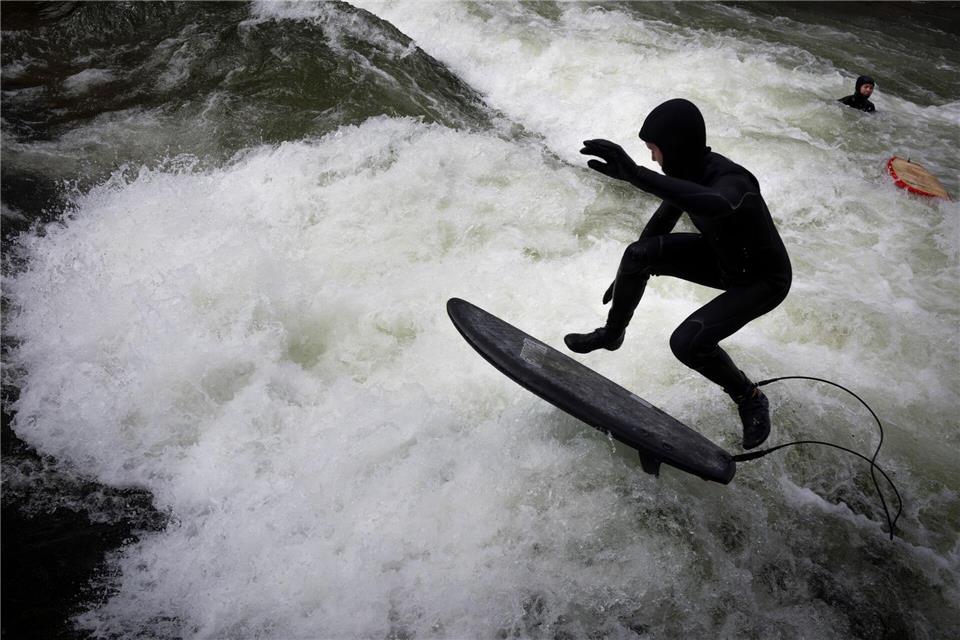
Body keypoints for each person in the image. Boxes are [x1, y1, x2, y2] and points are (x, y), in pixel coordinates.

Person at [565, 98, 791, 449]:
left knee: (687, 343)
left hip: (762, 280)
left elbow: (714, 203)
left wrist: (636, 176)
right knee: (637, 254)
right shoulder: (686, 171)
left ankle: (749, 397)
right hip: (723, 259)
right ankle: (612, 335)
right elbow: (663, 220)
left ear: (676, 146)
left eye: (655, 150)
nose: (653, 158)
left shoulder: (732, 179)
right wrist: (627, 271)